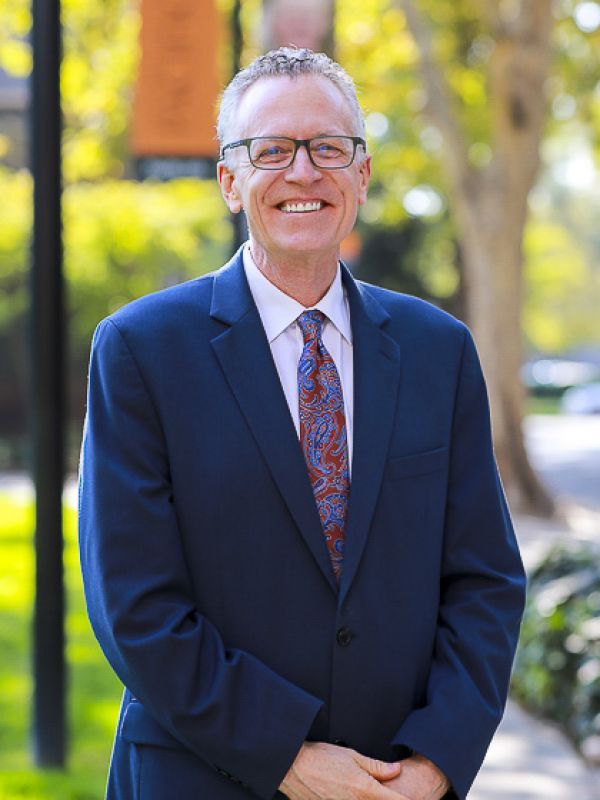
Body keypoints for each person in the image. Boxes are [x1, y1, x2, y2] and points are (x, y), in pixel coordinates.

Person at [79, 47, 526, 800]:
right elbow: (134, 605)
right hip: (201, 777)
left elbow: (483, 579)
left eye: (328, 147)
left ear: (362, 173)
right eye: (272, 150)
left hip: (397, 782)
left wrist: (436, 763)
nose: (303, 172)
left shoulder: (438, 350)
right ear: (230, 179)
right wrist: (285, 755)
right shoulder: (139, 350)